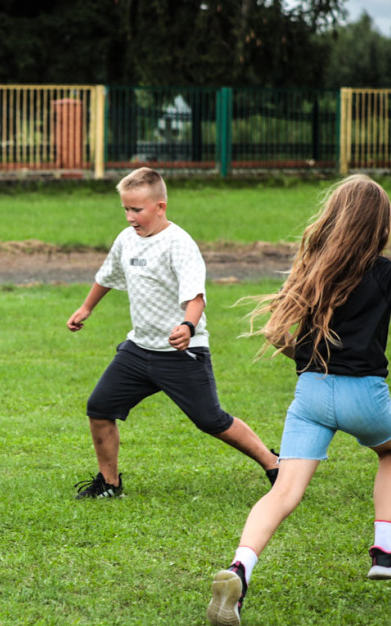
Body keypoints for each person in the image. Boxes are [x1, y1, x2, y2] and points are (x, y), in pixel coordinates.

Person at [206, 175, 391, 626]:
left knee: (284, 490)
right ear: (380, 226)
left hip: (311, 393)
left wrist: (300, 357)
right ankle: (384, 549)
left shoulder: (312, 269)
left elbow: (274, 332)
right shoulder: (390, 271)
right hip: (364, 393)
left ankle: (241, 567)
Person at [65, 167, 280, 500]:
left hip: (182, 353)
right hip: (138, 350)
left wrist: (187, 326)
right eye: (125, 209)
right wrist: (86, 308)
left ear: (160, 207)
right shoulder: (126, 240)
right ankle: (110, 484)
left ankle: (273, 464)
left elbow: (196, 297)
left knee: (211, 420)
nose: (129, 217)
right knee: (100, 407)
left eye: (137, 209)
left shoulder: (178, 244)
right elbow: (106, 275)